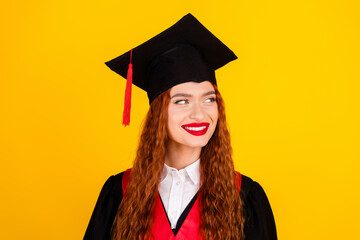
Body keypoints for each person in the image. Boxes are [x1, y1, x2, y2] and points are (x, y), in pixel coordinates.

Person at [84, 13, 277, 240]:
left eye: (209, 99)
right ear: (158, 114)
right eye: (182, 101)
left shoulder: (245, 197)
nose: (199, 113)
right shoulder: (119, 194)